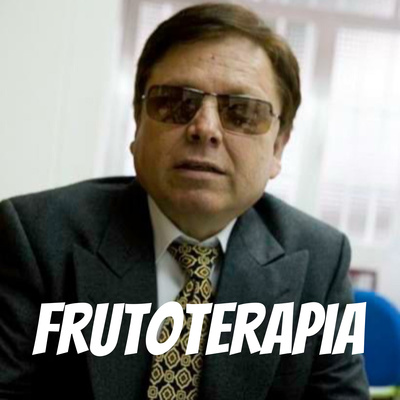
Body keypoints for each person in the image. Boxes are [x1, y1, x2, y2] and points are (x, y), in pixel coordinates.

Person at [0, 3, 369, 399]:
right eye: (175, 102)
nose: (205, 128)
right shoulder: (35, 237)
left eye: (242, 112)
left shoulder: (321, 261)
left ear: (278, 147)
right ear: (138, 125)